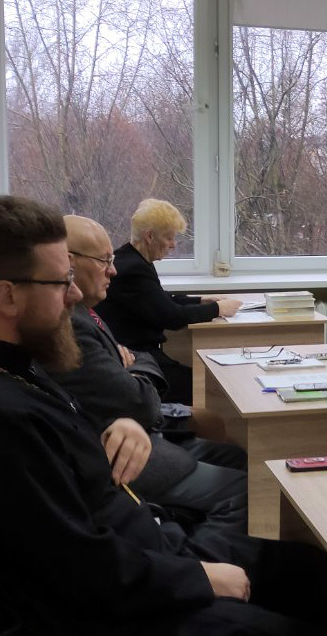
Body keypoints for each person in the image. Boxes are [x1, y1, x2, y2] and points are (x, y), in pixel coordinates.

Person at [0, 195, 327, 635]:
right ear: (6, 296)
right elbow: (75, 571)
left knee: (311, 570)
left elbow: (60, 473)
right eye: (61, 282)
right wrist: (198, 577)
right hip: (112, 608)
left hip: (139, 547)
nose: (74, 294)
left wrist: (123, 426)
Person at [50, 214, 248, 536]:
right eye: (103, 261)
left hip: (136, 425)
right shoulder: (72, 324)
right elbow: (141, 403)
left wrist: (132, 362)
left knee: (236, 455)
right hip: (129, 450)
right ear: (69, 263)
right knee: (246, 488)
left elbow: (159, 307)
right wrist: (135, 364)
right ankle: (196, 560)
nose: (112, 271)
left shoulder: (88, 307)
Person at [95, 199, 241, 405]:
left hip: (139, 351)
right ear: (149, 236)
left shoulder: (132, 258)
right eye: (169, 237)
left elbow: (160, 299)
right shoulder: (133, 269)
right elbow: (172, 317)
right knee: (207, 387)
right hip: (136, 358)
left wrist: (201, 300)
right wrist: (217, 309)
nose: (173, 244)